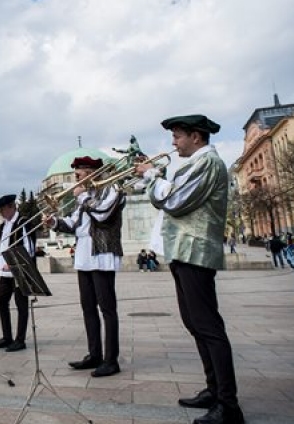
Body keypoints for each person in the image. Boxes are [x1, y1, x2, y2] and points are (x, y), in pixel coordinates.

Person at [136, 114, 244, 424]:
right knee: (195, 323)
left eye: (178, 136)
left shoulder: (207, 163)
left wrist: (151, 177)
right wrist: (155, 177)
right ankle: (213, 391)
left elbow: (174, 201)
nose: (173, 143)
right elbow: (168, 197)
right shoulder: (194, 164)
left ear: (196, 137)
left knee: (208, 327)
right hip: (183, 250)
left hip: (195, 250)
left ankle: (228, 405)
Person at [48, 156, 126, 377]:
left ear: (93, 172)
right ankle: (94, 354)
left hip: (102, 255)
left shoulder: (113, 190)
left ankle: (111, 360)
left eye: (80, 172)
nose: (76, 176)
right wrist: (54, 222)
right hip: (84, 257)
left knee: (107, 310)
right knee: (88, 308)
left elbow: (103, 214)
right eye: (76, 172)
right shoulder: (84, 197)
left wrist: (82, 196)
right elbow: (73, 224)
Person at [0, 194, 35, 353]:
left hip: (19, 271)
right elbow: (1, 245)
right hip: (4, 272)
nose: (0, 212)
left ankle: (20, 340)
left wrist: (14, 263)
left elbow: (29, 248)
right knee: (1, 301)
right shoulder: (4, 225)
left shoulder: (23, 222)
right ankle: (7, 337)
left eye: (2, 209)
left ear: (11, 207)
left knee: (21, 305)